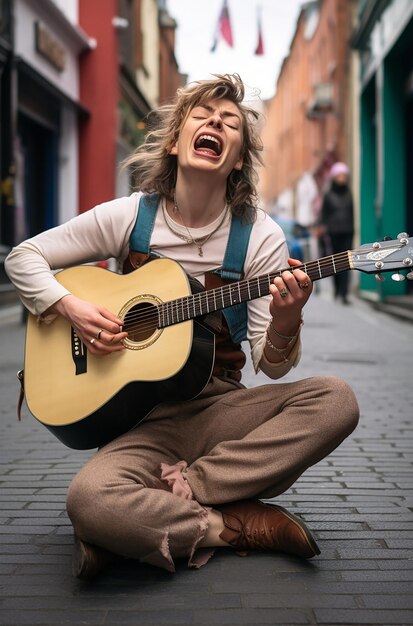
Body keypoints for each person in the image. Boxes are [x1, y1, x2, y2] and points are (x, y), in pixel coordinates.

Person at [5, 74, 359, 579]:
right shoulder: (131, 216)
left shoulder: (260, 237)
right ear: (175, 141)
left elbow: (271, 366)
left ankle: (182, 497)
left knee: (337, 398)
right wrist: (70, 307)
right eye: (202, 114)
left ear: (237, 158)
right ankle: (236, 524)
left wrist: (285, 319)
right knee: (88, 499)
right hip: (143, 421)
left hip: (222, 409)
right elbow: (25, 257)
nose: (215, 120)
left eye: (230, 121)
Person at [320, 162, 355, 304]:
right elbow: (324, 215)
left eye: (344, 176)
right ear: (334, 177)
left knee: (347, 263)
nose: (342, 179)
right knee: (335, 262)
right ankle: (336, 288)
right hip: (334, 233)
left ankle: (344, 293)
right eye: (339, 176)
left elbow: (352, 213)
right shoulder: (328, 195)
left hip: (347, 232)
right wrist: (325, 229)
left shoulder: (349, 194)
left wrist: (353, 229)